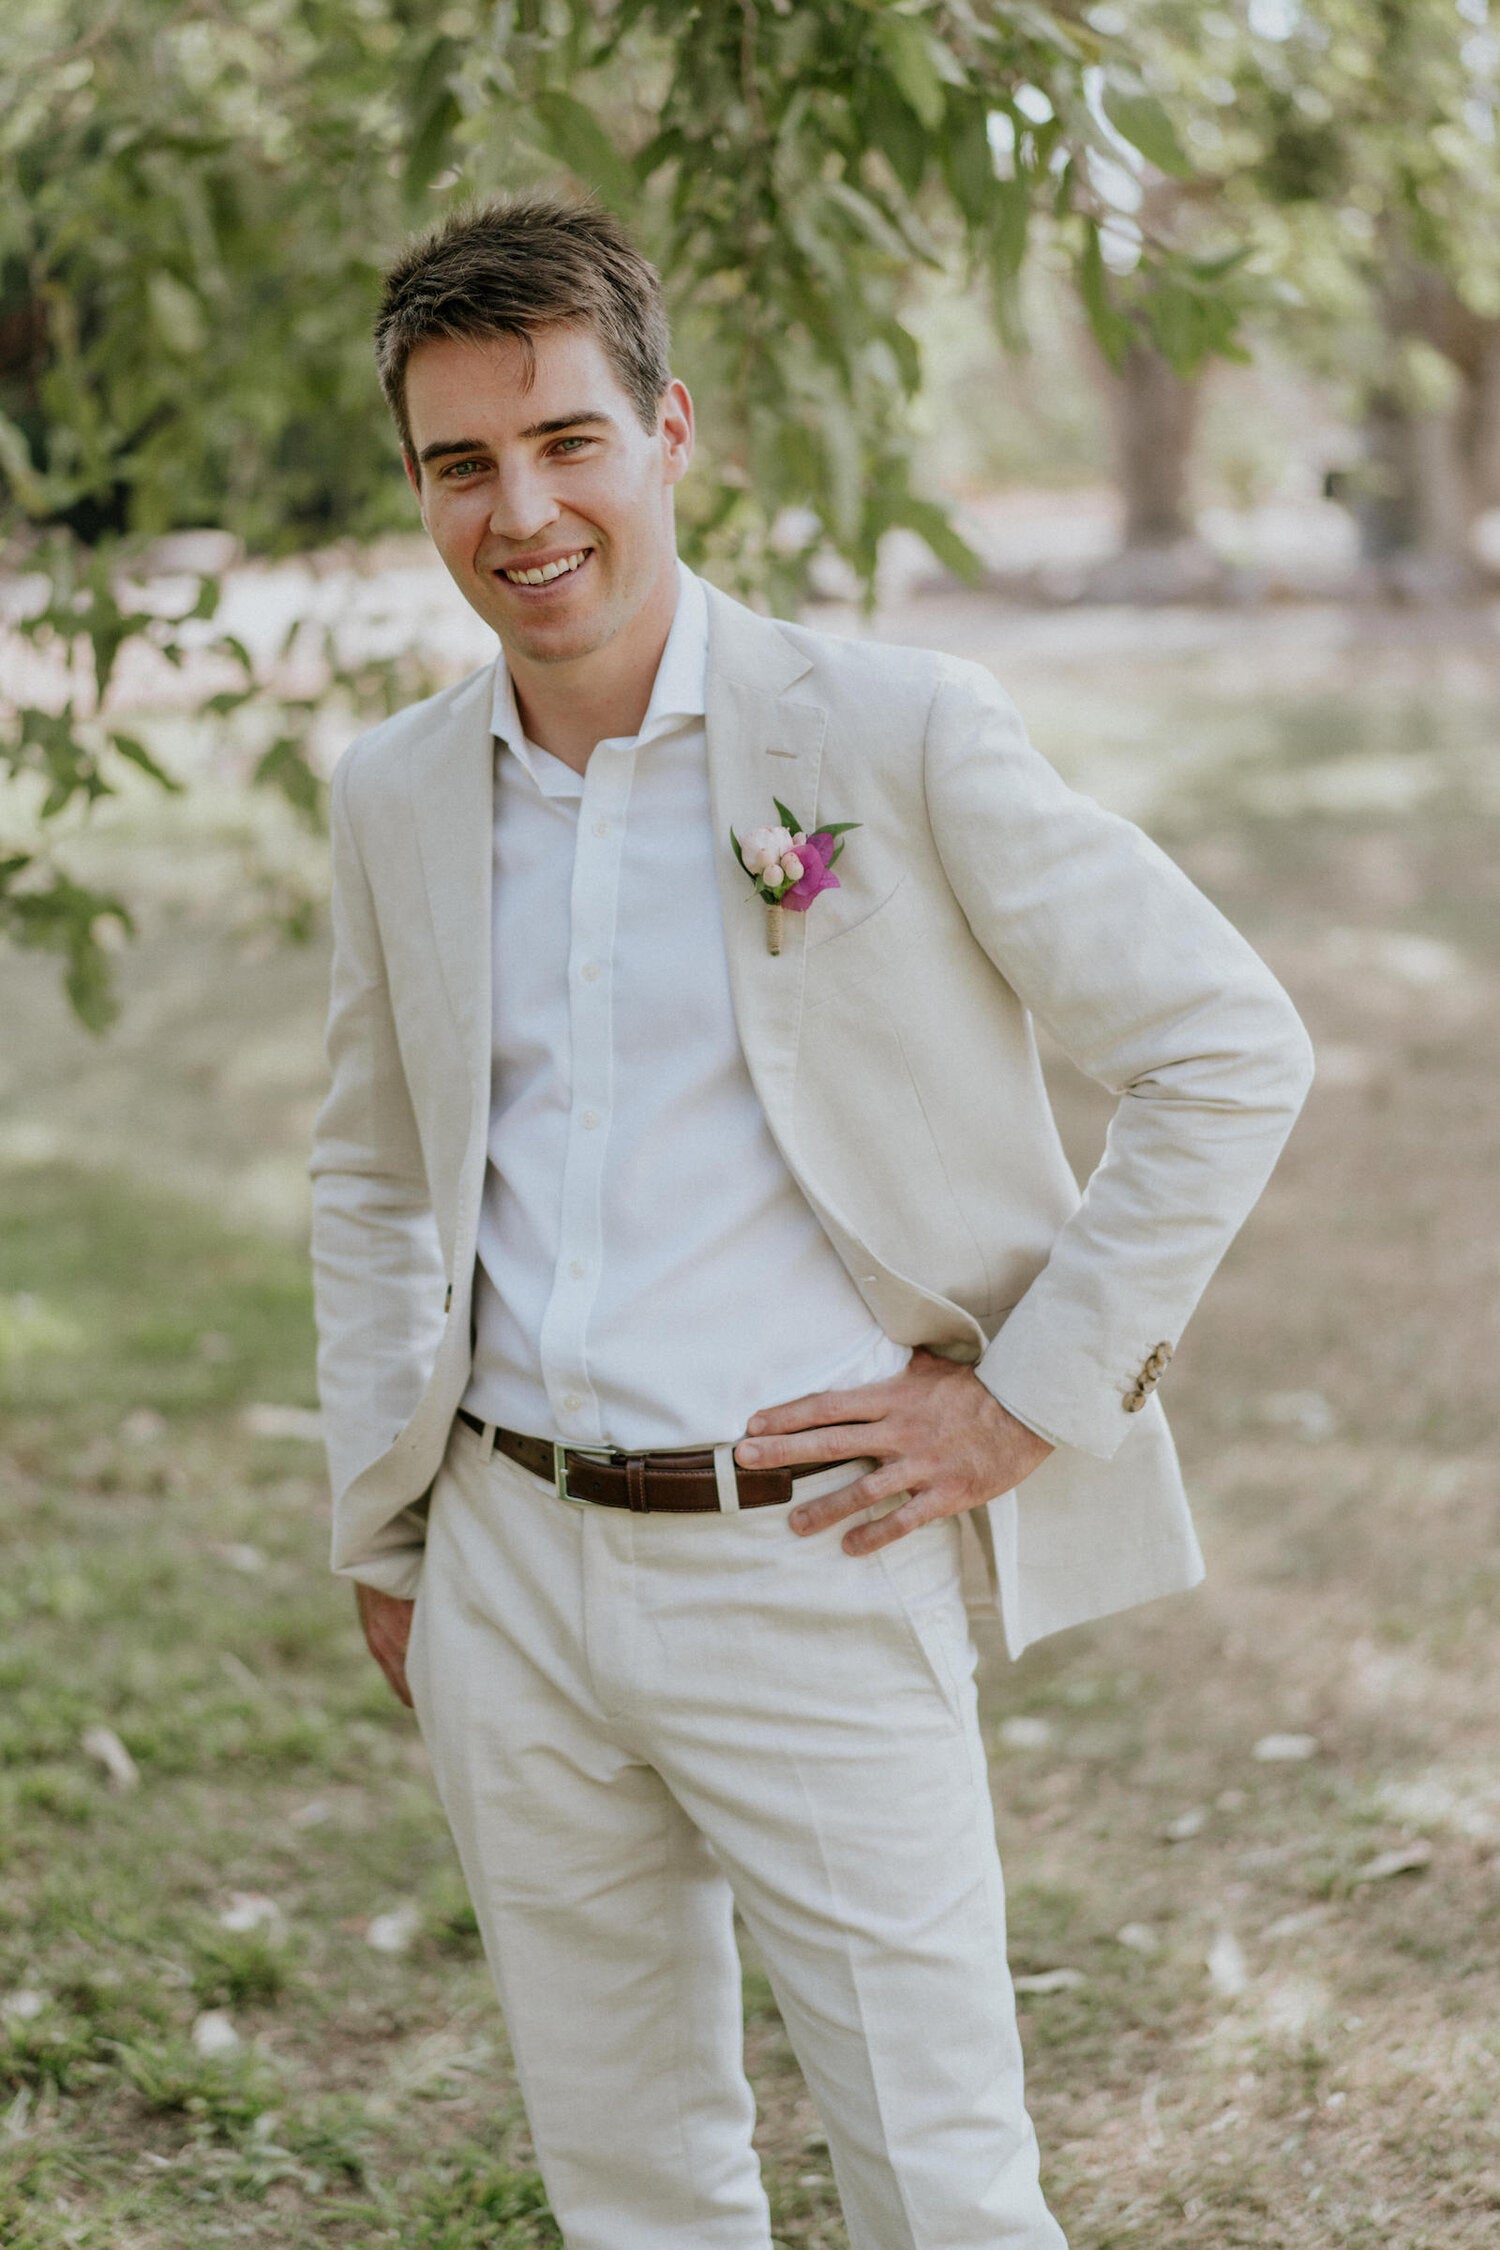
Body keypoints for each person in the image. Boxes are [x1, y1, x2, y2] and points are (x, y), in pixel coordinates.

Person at [310, 191, 1314, 2250]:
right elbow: (373, 1171)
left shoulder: (888, 734)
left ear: (671, 432)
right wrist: (382, 1521)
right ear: (419, 484)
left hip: (808, 1562)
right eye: (462, 464)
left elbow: (1228, 1045)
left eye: (567, 439)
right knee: (632, 2186)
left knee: (941, 2190)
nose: (524, 511)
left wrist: (1028, 1401)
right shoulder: (397, 796)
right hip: (504, 1570)